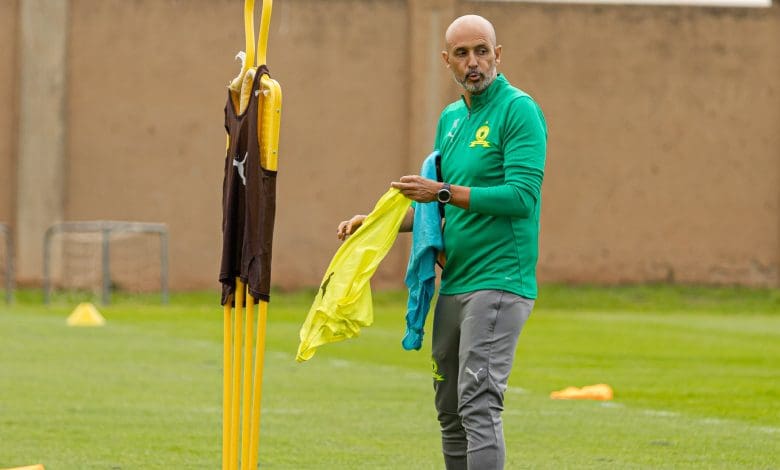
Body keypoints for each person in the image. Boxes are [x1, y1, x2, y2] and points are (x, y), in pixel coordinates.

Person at [337, 14, 547, 470]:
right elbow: (438, 212)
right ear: (446, 60)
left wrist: (443, 192)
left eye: (482, 51)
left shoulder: (519, 110)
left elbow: (521, 198)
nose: (474, 63)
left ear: (498, 55)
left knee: (478, 405)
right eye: (462, 54)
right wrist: (378, 224)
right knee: (450, 412)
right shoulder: (451, 120)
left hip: (499, 282)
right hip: (454, 284)